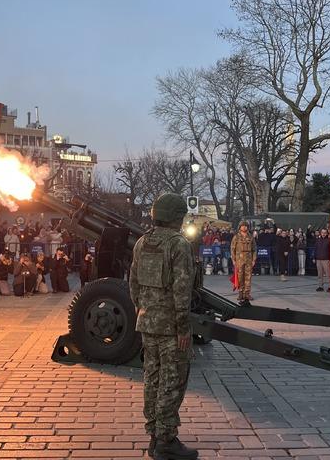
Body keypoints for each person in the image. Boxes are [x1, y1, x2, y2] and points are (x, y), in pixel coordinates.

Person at [129, 193, 197, 460]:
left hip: (147, 324)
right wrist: (183, 327)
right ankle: (166, 441)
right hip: (170, 327)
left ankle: (154, 435)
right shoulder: (178, 244)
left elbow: (133, 282)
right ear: (177, 218)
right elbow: (182, 290)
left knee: (152, 379)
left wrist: (143, 308)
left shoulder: (142, 242)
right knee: (172, 381)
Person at [230, 221, 257, 305]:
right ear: (240, 227)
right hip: (239, 259)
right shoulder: (236, 237)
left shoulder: (251, 237)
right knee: (240, 277)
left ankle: (247, 294)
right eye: (242, 226)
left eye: (246, 226)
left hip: (249, 259)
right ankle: (240, 293)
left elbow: (254, 249)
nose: (244, 227)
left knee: (248, 277)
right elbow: (232, 249)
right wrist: (233, 260)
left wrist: (253, 260)